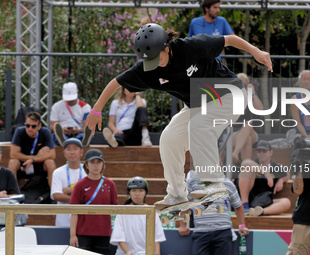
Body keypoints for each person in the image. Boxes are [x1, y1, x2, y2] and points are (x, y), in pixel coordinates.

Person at [86, 23, 272, 208]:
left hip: (230, 95)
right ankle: (177, 194)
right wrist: (96, 110)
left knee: (199, 125)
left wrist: (255, 51)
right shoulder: (147, 69)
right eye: (149, 61)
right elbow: (117, 82)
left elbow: (229, 39)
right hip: (197, 106)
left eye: (156, 58)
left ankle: (213, 183)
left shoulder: (191, 46)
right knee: (169, 139)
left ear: (166, 47)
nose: (154, 64)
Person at [178, 170, 249, 255]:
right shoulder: (192, 181)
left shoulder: (227, 183)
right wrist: (182, 225)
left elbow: (238, 206)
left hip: (223, 232)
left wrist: (242, 225)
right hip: (201, 232)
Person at [69, 149, 118, 255]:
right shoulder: (80, 185)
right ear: (86, 164)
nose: (96, 166)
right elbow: (74, 212)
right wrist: (73, 235)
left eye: (98, 162)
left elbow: (115, 209)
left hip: (104, 233)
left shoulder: (110, 184)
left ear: (103, 164)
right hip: (83, 233)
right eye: (92, 162)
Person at [110, 176, 166, 255]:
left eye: (140, 190)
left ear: (145, 192)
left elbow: (156, 238)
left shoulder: (151, 211)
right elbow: (119, 237)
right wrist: (129, 253)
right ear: (129, 192)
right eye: (133, 190)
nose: (137, 194)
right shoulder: (122, 211)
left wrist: (157, 253)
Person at [235, 140, 291, 216]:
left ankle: (259, 212)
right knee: (247, 170)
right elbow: (245, 162)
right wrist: (265, 172)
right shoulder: (253, 162)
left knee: (286, 202)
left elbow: (287, 174)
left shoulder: (276, 167)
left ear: (270, 152)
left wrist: (281, 180)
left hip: (263, 200)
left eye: (264, 151)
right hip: (248, 196)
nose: (261, 153)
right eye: (259, 151)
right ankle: (244, 206)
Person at [8, 112, 56, 190]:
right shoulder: (19, 131)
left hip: (39, 165)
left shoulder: (45, 132)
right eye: (27, 125)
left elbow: (52, 155)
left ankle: (54, 194)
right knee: (13, 162)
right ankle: (13, 193)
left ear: (39, 127)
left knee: (50, 163)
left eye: (33, 126)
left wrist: (33, 160)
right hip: (23, 166)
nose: (30, 129)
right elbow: (13, 154)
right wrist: (36, 156)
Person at [50, 138, 87, 227]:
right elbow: (57, 195)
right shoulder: (58, 172)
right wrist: (79, 198)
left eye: (75, 148)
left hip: (84, 219)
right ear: (64, 153)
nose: (72, 152)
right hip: (63, 220)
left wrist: (68, 191)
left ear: (81, 152)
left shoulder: (88, 171)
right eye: (68, 149)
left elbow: (90, 194)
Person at [232, 73, 263, 163]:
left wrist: (252, 93)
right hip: (233, 132)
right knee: (247, 139)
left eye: (244, 85)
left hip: (251, 130)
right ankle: (246, 169)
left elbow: (260, 109)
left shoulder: (250, 97)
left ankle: (235, 153)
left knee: (248, 124)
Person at [50, 82, 93, 147]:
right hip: (62, 133)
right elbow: (52, 125)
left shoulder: (85, 107)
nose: (70, 101)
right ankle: (63, 139)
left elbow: (86, 127)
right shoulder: (56, 106)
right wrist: (62, 129)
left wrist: (78, 130)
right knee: (54, 136)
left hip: (78, 133)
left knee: (82, 136)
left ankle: (66, 142)